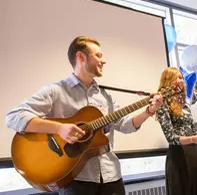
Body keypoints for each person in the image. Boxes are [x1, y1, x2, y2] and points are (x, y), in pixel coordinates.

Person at [5, 36, 163, 195]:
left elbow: (125, 125)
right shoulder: (56, 91)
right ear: (80, 57)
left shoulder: (105, 95)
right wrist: (60, 129)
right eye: (99, 56)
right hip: (75, 179)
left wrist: (148, 111)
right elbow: (14, 116)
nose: (104, 61)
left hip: (111, 175)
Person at [155, 67, 197, 195]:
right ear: (167, 82)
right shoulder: (162, 105)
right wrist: (195, 138)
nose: (181, 80)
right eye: (176, 78)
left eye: (181, 78)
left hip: (194, 154)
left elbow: (193, 132)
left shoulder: (186, 105)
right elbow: (171, 138)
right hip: (178, 156)